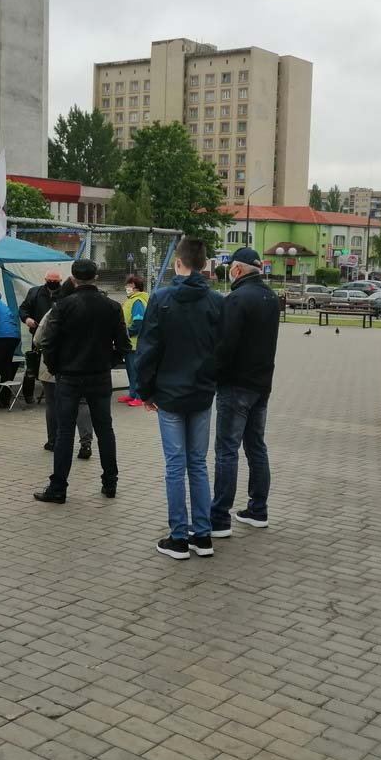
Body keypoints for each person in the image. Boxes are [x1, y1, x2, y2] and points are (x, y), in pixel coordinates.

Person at [134, 238, 225, 559]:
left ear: (177, 263)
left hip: (169, 394)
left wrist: (145, 391)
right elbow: (223, 349)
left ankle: (178, 537)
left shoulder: (161, 299)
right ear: (204, 264)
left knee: (175, 465)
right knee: (198, 463)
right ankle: (203, 535)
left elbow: (148, 348)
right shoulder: (216, 302)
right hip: (202, 393)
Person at [34, 258, 129, 503]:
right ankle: (110, 483)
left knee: (65, 431)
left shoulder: (63, 306)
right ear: (96, 277)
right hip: (99, 376)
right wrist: (107, 362)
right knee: (105, 429)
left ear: (73, 278)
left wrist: (56, 368)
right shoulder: (112, 307)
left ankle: (58, 487)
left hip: (68, 376)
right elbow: (124, 346)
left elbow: (48, 342)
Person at [210, 246, 280, 535]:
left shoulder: (237, 299)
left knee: (227, 450)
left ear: (237, 269)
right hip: (261, 383)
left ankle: (219, 518)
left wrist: (214, 376)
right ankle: (258, 509)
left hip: (236, 384)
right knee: (256, 446)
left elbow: (225, 345)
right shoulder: (271, 297)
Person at [33, 282, 93, 457]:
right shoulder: (89, 312)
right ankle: (86, 443)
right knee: (82, 403)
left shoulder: (53, 312)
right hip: (81, 365)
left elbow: (38, 339)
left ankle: (53, 441)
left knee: (52, 404)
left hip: (52, 367)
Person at [18, 270, 64, 405]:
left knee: (58, 365)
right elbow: (23, 309)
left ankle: (58, 394)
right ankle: (28, 394)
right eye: (50, 281)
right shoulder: (35, 292)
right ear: (45, 280)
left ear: (60, 281)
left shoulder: (65, 294)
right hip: (38, 334)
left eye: (55, 281)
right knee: (32, 364)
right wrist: (27, 319)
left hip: (59, 337)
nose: (52, 283)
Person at [120, 275, 149, 408]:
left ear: (137, 288)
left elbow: (138, 322)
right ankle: (132, 394)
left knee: (136, 371)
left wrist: (127, 334)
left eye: (130, 285)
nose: (127, 287)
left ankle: (139, 396)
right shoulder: (131, 300)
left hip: (135, 343)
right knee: (131, 371)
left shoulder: (137, 301)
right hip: (130, 343)